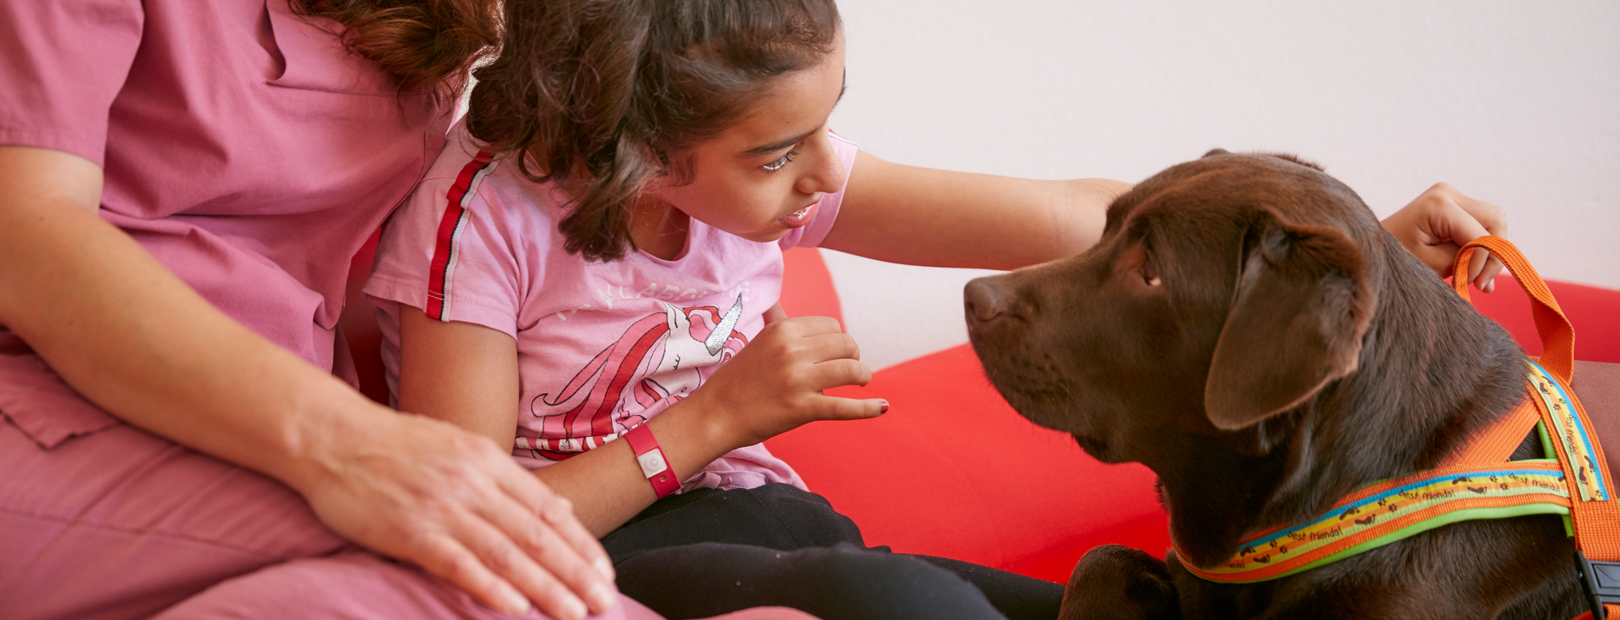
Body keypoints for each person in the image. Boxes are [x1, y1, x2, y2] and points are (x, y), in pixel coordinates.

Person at [362, 1, 1510, 619]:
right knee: (907, 603)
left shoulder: (771, 176)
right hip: (601, 557)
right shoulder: (481, 226)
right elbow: (469, 529)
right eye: (777, 152)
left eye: (828, 125)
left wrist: (1365, 257)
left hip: (781, 527)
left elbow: (1076, 214)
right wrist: (711, 420)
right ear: (638, 151)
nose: (823, 173)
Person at [0, 1, 830, 619]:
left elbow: (747, 120)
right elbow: (27, 239)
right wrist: (353, 445)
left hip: (271, 430)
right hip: (55, 399)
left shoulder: (446, 21)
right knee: (490, 583)